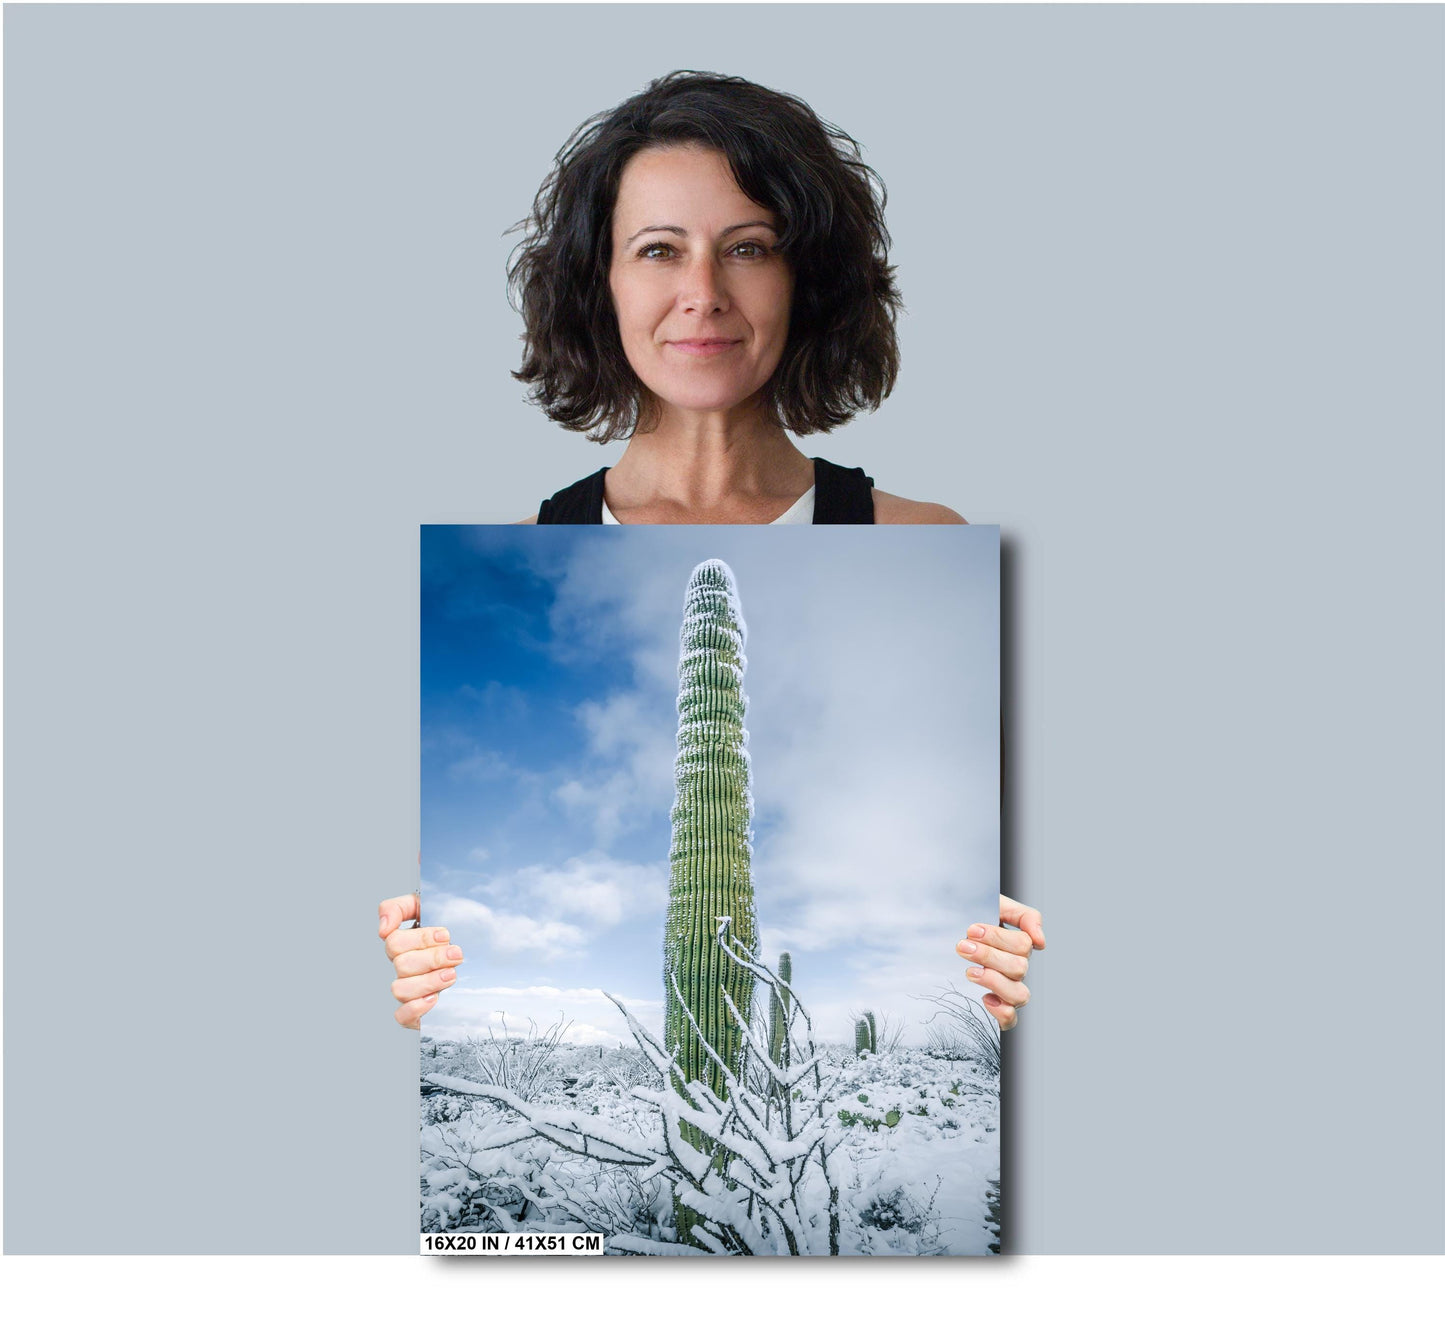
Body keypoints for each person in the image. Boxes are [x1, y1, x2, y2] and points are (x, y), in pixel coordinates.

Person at [382, 70, 1046, 1032]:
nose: (702, 294)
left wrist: (1020, 971)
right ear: (601, 282)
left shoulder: (924, 541)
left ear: (805, 277)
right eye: (658, 250)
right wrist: (407, 988)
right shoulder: (524, 546)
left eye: (748, 248)